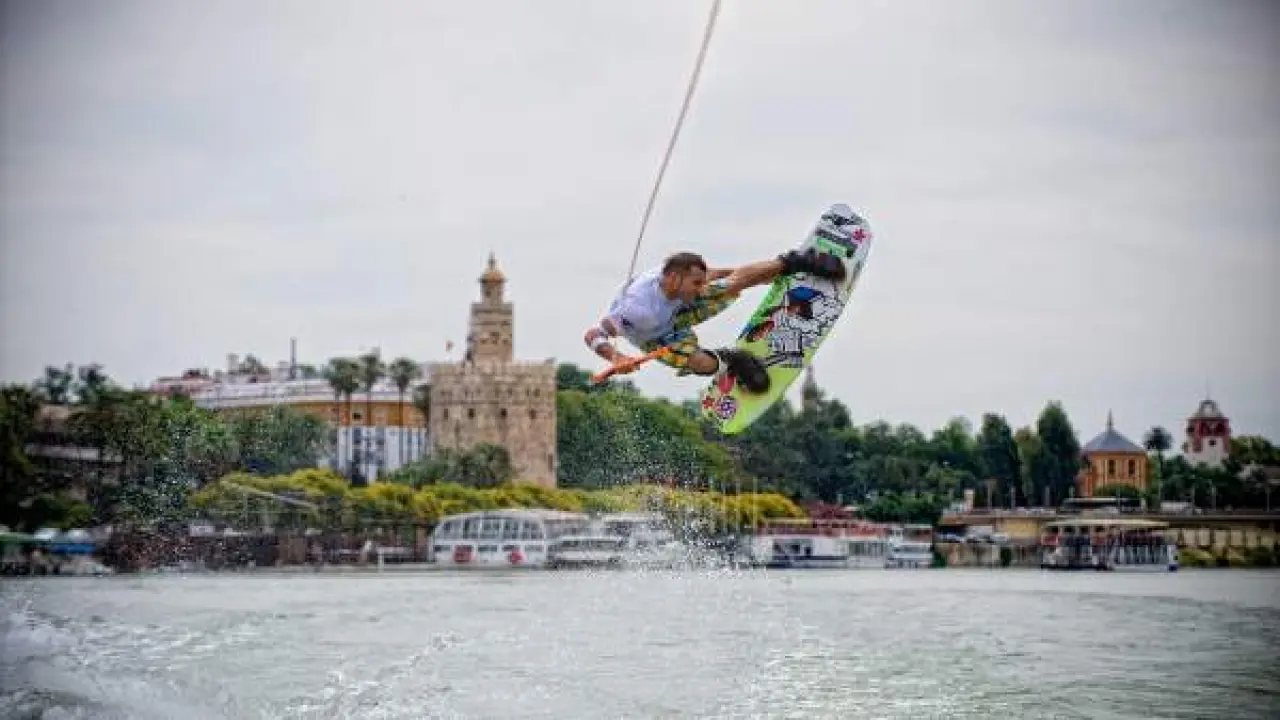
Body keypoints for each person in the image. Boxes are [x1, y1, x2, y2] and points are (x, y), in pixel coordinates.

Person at [583, 247, 846, 393]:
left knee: (731, 283)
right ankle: (733, 360)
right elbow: (593, 334)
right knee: (701, 364)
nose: (701, 287)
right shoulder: (637, 308)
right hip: (657, 336)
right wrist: (616, 358)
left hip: (678, 307)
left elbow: (718, 276)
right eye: (696, 283)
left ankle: (797, 261)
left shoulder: (681, 282)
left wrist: (762, 276)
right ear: (673, 279)